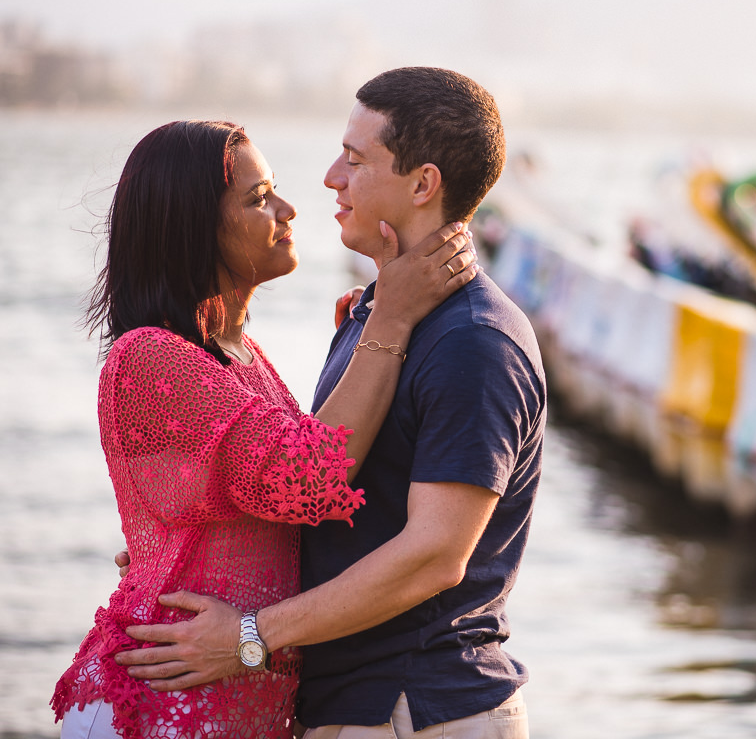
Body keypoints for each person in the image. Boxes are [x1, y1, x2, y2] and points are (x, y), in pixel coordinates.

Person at [113, 68, 547, 739]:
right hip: (360, 706)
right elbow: (297, 491)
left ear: (423, 184)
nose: (328, 179)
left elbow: (436, 554)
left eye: (355, 157)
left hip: (417, 706)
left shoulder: (469, 340)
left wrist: (250, 635)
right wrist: (191, 556)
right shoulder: (380, 318)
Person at [51, 119, 479, 738]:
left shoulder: (239, 354)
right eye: (257, 198)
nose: (289, 208)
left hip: (228, 695)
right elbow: (309, 478)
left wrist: (363, 335)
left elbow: (267, 493)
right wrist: (390, 317)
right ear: (194, 227)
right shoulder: (151, 355)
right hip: (164, 699)